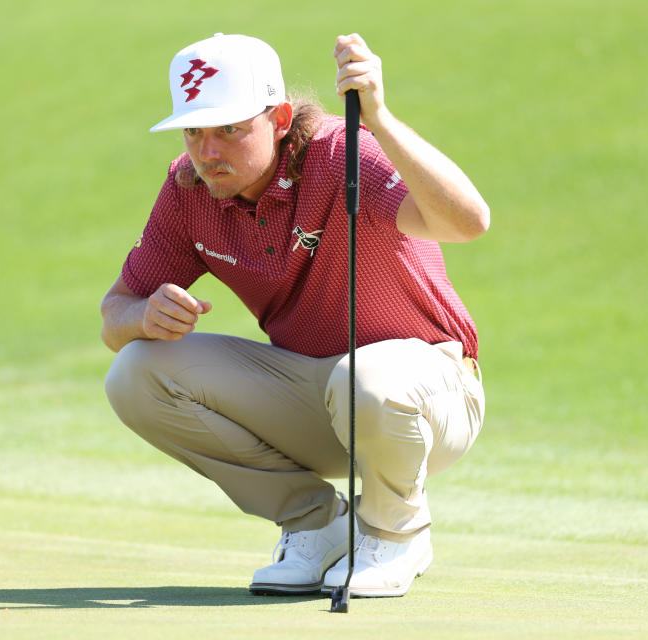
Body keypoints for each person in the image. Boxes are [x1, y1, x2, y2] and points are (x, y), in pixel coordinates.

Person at [102, 32, 488, 598]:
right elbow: (114, 315)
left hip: (430, 395)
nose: (208, 152)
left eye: (230, 130)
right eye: (194, 131)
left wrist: (377, 118)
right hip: (320, 396)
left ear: (280, 118)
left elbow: (468, 222)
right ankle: (319, 525)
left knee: (367, 380)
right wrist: (143, 316)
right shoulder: (191, 187)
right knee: (135, 372)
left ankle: (394, 533)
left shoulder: (343, 152)